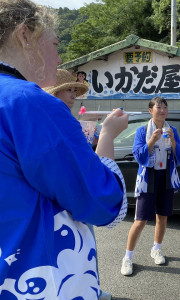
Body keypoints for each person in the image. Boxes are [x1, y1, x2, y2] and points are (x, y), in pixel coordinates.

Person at [0, 1, 129, 299]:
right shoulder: (30, 103)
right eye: (55, 43)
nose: (58, 57)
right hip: (34, 280)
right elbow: (103, 200)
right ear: (25, 34)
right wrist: (108, 135)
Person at [44, 69, 112, 300]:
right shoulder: (58, 121)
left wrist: (90, 143)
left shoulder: (58, 120)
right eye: (68, 90)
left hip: (66, 196)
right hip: (70, 197)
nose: (73, 95)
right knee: (74, 248)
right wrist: (108, 136)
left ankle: (92, 288)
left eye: (75, 90)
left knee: (82, 246)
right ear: (54, 92)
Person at [120, 96, 180, 276]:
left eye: (165, 107)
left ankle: (156, 249)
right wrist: (151, 141)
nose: (162, 110)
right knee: (140, 220)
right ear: (151, 110)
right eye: (158, 107)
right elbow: (139, 157)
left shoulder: (171, 130)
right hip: (148, 177)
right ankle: (128, 257)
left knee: (162, 216)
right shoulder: (143, 131)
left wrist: (172, 141)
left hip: (166, 177)